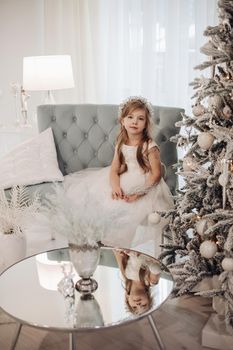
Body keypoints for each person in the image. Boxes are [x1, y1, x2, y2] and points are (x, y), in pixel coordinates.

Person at [64, 96, 174, 248]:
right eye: (130, 117)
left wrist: (139, 192)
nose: (134, 122)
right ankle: (94, 239)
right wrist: (116, 187)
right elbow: (114, 169)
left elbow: (156, 175)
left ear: (146, 123)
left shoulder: (150, 146)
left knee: (126, 210)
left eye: (140, 118)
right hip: (126, 177)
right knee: (102, 198)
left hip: (145, 183)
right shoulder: (122, 142)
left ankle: (121, 246)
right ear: (122, 120)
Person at [114, 249, 161, 314]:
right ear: (148, 297)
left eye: (134, 307)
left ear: (127, 299)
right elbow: (156, 267)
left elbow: (116, 251)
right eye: (144, 305)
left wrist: (120, 251)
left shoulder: (126, 275)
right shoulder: (151, 281)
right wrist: (134, 253)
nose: (138, 304)